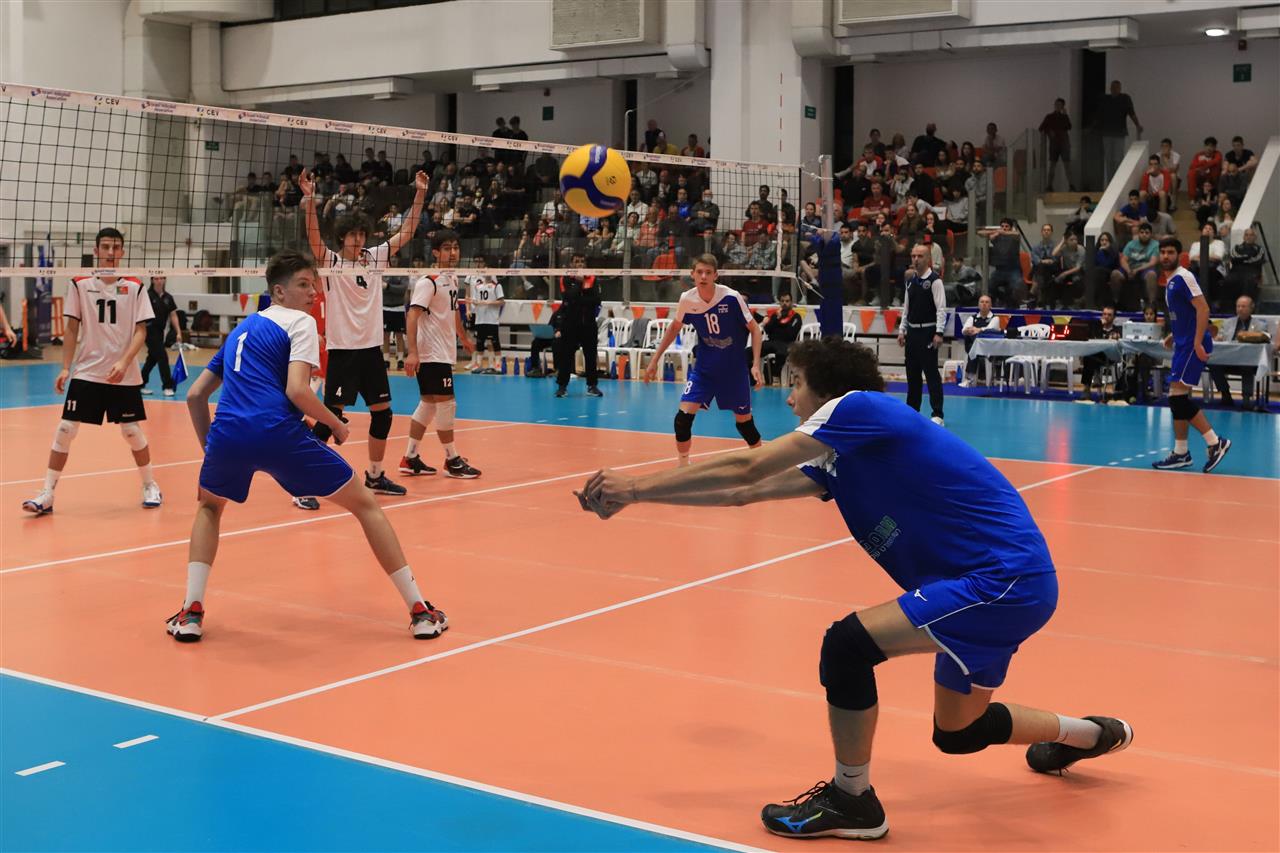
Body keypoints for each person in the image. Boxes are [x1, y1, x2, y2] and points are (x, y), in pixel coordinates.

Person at [575, 337, 1133, 841]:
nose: (788, 398)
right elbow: (743, 493)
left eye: (795, 383)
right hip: (1000, 585)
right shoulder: (841, 455)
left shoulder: (859, 408)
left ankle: (853, 799)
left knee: (847, 646)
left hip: (1000, 579)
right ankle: (1090, 735)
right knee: (958, 733)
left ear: (826, 387)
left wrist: (635, 484)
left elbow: (748, 469)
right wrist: (638, 499)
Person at [167, 250, 448, 643]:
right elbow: (297, 390)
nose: (313, 292)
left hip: (228, 437)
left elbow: (195, 396)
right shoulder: (299, 322)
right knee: (365, 504)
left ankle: (191, 612)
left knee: (210, 507)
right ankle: (420, 610)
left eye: (314, 284)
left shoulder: (240, 331)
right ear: (279, 292)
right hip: (278, 433)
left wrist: (212, 451)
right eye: (303, 285)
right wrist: (335, 423)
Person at [296, 166, 429, 509]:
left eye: (361, 234)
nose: (357, 240)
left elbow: (408, 230)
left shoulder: (375, 258)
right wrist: (310, 199)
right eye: (351, 235)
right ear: (342, 237)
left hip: (371, 351)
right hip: (344, 352)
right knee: (330, 419)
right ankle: (302, 482)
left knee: (383, 414)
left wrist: (420, 194)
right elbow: (314, 237)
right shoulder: (331, 263)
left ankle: (375, 475)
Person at [23, 227, 162, 516]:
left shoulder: (135, 286)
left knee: (131, 431)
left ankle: (150, 485)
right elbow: (72, 328)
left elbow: (141, 331)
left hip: (123, 373)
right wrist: (65, 367)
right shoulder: (79, 283)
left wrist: (124, 361)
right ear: (96, 251)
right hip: (87, 370)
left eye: (116, 247)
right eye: (106, 247)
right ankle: (47, 493)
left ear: (122, 252)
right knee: (65, 429)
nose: (111, 253)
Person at [643, 254, 763, 466]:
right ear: (692, 274)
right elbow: (674, 328)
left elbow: (755, 329)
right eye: (699, 272)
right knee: (682, 420)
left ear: (716, 275)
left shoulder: (731, 297)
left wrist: (755, 365)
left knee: (744, 424)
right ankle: (683, 466)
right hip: (705, 371)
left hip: (734, 372)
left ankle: (764, 463)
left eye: (708, 272)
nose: (704, 276)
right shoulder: (687, 299)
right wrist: (654, 360)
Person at [398, 230, 480, 480]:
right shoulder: (428, 281)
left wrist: (463, 337)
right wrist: (412, 352)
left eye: (455, 247)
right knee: (446, 403)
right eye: (446, 248)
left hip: (442, 351)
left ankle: (410, 457)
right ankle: (452, 459)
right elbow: (412, 315)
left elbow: (453, 312)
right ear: (435, 252)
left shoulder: (451, 278)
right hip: (431, 354)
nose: (452, 252)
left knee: (429, 404)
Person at [1151, 238, 1232, 473]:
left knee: (1177, 399)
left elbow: (1203, 308)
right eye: (1162, 252)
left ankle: (1215, 442)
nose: (1166, 256)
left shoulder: (1184, 277)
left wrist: (1196, 342)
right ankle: (1181, 453)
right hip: (1183, 342)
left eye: (1170, 252)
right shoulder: (1170, 281)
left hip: (1192, 345)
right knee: (1176, 398)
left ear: (1180, 255)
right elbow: (1184, 314)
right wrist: (1173, 335)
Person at [897, 243, 947, 425]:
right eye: (913, 256)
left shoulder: (935, 281)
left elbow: (941, 309)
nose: (916, 259)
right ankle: (912, 411)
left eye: (920, 256)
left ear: (928, 259)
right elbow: (906, 309)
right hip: (912, 333)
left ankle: (937, 413)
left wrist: (939, 332)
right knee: (912, 374)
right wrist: (902, 330)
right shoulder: (910, 281)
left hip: (928, 332)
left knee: (931, 373)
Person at [553, 252, 604, 398]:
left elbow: (596, 300)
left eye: (582, 261)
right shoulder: (565, 279)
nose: (580, 264)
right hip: (570, 324)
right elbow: (568, 298)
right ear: (571, 264)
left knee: (590, 355)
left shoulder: (593, 278)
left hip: (588, 323)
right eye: (576, 261)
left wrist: (578, 298)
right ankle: (562, 386)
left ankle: (592, 386)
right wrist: (580, 284)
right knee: (566, 355)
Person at [1210, 295, 1272, 408]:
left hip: (1249, 361)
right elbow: (1221, 337)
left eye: (1243, 306)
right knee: (1212, 363)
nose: (1240, 309)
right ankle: (1225, 393)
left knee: (1246, 364)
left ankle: (1246, 399)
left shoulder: (1260, 325)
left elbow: (1265, 341)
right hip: (1227, 359)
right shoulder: (1227, 323)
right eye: (1238, 306)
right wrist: (1218, 338)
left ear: (1251, 308)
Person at [140, 276, 183, 397]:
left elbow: (173, 315)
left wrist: (178, 332)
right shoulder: (147, 295)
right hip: (149, 330)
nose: (159, 281)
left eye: (161, 278)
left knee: (152, 359)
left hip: (160, 332)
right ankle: (168, 386)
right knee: (162, 357)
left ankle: (140, 383)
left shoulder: (168, 297)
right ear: (152, 280)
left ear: (165, 280)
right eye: (156, 278)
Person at [1096, 80, 1142, 185]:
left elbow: (1131, 113)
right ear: (1110, 88)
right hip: (1107, 133)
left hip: (1119, 133)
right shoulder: (1105, 99)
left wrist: (1137, 125)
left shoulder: (1124, 98)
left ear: (1120, 88)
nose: (1114, 89)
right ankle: (1110, 183)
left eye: (1116, 87)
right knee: (1108, 160)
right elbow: (1099, 115)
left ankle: (1118, 182)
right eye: (1113, 87)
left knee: (1117, 159)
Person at [465, 261, 504, 374]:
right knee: (480, 342)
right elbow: (475, 301)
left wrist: (489, 303)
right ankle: (478, 364)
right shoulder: (478, 287)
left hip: (492, 320)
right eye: (486, 271)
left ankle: (497, 365)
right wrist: (473, 303)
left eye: (490, 271)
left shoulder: (497, 286)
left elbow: (502, 302)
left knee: (494, 342)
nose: (487, 273)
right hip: (480, 319)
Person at [1078, 305, 1122, 401]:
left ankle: (1093, 379)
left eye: (1109, 315)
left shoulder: (1117, 330)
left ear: (1114, 317)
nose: (1106, 317)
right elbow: (1091, 340)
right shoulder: (1096, 327)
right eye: (1104, 314)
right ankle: (1087, 387)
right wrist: (1099, 325)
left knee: (1090, 356)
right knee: (1089, 356)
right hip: (1095, 356)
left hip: (1110, 357)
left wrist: (1116, 337)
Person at [761, 291, 804, 380]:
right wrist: (777, 319)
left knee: (781, 352)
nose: (784, 303)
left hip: (786, 343)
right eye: (782, 301)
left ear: (791, 302)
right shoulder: (775, 315)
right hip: (772, 342)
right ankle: (752, 379)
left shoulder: (796, 317)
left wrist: (779, 328)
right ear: (779, 302)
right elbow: (767, 330)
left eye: (787, 301)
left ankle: (776, 377)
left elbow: (791, 334)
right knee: (752, 350)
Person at [960, 293, 999, 384]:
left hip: (988, 347)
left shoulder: (995, 318)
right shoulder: (972, 318)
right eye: (982, 302)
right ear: (978, 305)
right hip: (972, 346)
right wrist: (970, 330)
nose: (984, 304)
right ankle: (970, 378)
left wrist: (978, 330)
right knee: (974, 345)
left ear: (990, 305)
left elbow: (990, 329)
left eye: (987, 302)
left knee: (974, 345)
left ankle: (970, 378)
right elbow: (964, 330)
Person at [1120, 223, 1159, 310]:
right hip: (1130, 268)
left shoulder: (1155, 244)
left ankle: (1152, 303)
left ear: (1151, 234)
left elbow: (1152, 262)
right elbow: (1123, 260)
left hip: (1145, 268)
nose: (1144, 234)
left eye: (1147, 233)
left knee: (1151, 274)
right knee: (1115, 274)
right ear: (1138, 233)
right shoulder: (1131, 244)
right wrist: (1128, 270)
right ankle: (1115, 301)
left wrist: (1137, 270)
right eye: (1142, 232)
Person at [1038, 98, 1075, 192]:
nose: (1057, 106)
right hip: (1054, 144)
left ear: (1062, 106)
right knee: (1052, 165)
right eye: (1056, 104)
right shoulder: (1049, 116)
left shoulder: (1064, 117)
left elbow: (1069, 126)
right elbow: (1041, 128)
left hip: (1064, 143)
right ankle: (1049, 185)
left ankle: (1071, 185)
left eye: (1059, 104)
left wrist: (1065, 115)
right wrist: (1049, 132)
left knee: (1067, 165)